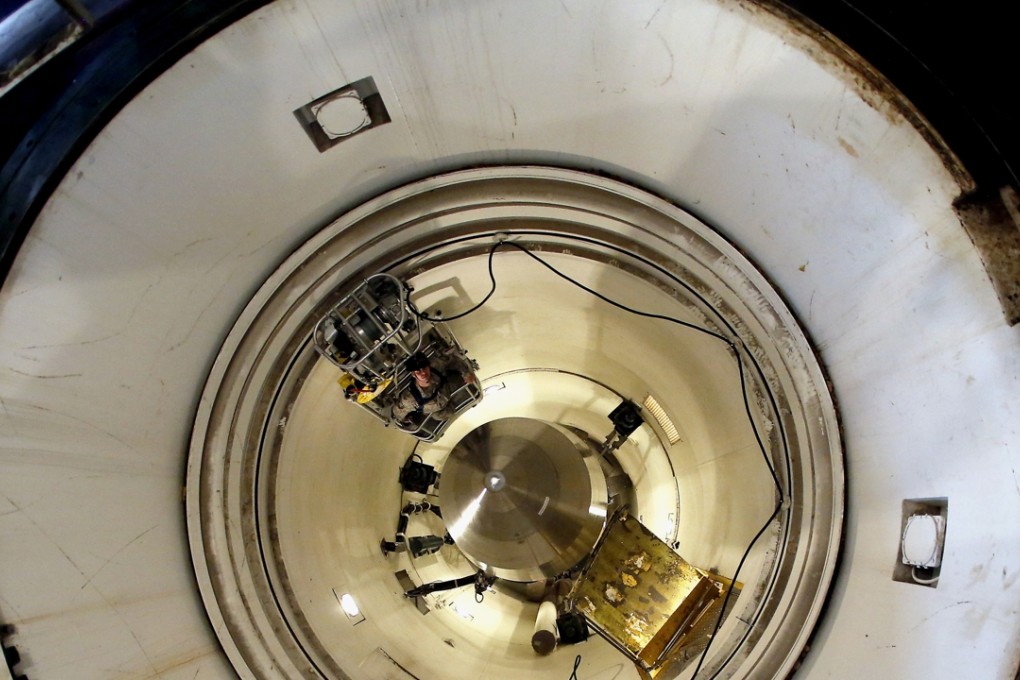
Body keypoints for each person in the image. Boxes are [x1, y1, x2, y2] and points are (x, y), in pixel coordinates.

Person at [392, 351, 461, 426]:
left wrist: (466, 373)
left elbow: (452, 359)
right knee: (440, 415)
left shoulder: (436, 367)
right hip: (438, 410)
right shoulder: (410, 399)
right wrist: (403, 419)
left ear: (429, 366)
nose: (423, 373)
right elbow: (398, 411)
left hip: (450, 391)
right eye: (418, 371)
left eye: (424, 368)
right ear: (413, 374)